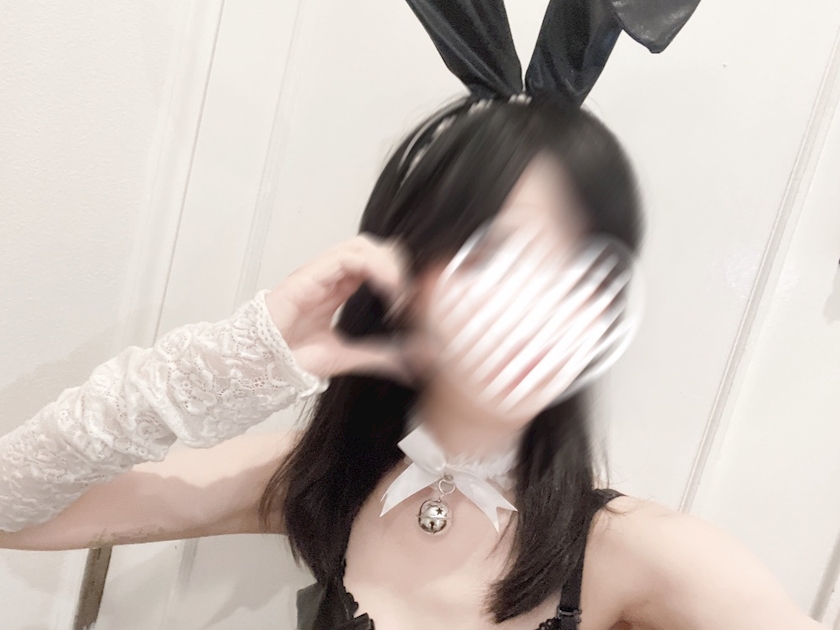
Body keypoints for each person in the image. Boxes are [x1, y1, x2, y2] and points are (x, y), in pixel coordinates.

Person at [0, 94, 826, 630]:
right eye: (494, 257)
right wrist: (249, 356)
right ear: (404, 273)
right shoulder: (323, 479)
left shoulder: (642, 554)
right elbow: (11, 510)